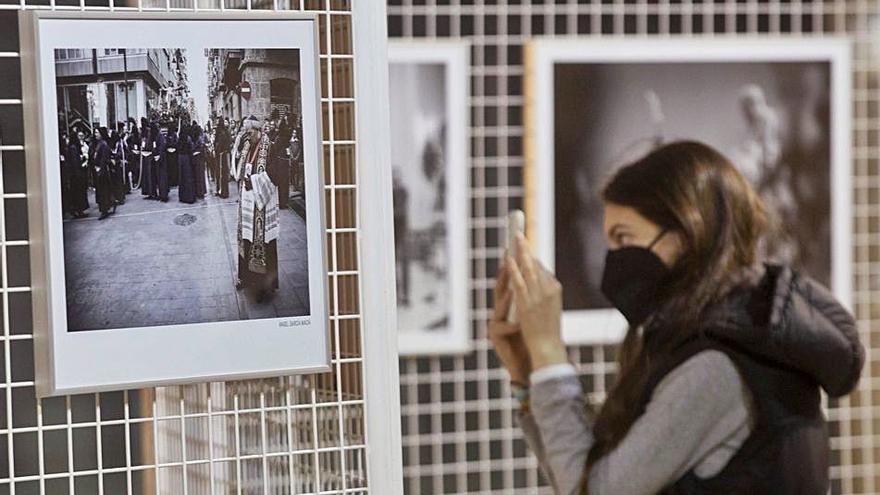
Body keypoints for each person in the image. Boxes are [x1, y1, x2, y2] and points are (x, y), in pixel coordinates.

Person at [488, 141, 865, 494]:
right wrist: (529, 374)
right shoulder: (717, 334)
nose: (613, 259)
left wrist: (549, 350)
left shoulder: (717, 365)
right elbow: (584, 473)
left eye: (624, 237)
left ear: (688, 234)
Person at [236, 116, 281, 302]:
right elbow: (238, 167)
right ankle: (247, 278)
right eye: (246, 132)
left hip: (260, 202)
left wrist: (253, 182)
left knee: (260, 242)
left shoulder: (268, 146)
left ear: (258, 130)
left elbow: (275, 174)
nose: (248, 135)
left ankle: (263, 286)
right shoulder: (248, 145)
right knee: (246, 238)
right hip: (247, 203)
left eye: (251, 132)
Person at [91, 127, 115, 220]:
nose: (95, 134)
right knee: (102, 191)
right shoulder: (99, 144)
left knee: (103, 191)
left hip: (102, 172)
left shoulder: (103, 145)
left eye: (97, 132)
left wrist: (100, 170)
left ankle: (104, 210)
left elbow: (104, 160)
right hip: (98, 170)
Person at [64, 131, 89, 218]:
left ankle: (75, 210)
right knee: (79, 193)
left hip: (73, 175)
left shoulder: (70, 147)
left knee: (75, 193)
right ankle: (79, 210)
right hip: (78, 174)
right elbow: (75, 162)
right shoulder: (74, 148)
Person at [177, 122, 196, 204]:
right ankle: (189, 197)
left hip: (180, 158)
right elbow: (190, 149)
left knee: (182, 178)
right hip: (187, 159)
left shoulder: (179, 138)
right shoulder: (188, 138)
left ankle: (182, 197)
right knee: (188, 177)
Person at [214, 118, 232, 198]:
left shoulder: (222, 132)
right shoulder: (223, 131)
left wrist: (218, 148)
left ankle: (223, 191)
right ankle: (220, 190)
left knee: (222, 174)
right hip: (221, 155)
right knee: (220, 174)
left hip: (221, 155)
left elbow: (220, 143)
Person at [140, 120, 155, 198]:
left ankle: (151, 192)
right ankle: (147, 191)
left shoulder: (149, 133)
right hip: (145, 155)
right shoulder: (144, 133)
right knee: (145, 175)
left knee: (149, 175)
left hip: (149, 155)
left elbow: (151, 144)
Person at [192, 123, 207, 199]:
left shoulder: (198, 138)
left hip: (198, 159)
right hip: (198, 159)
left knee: (199, 176)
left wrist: (195, 152)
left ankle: (200, 192)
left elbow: (201, 148)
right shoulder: (198, 138)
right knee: (199, 176)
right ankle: (201, 191)